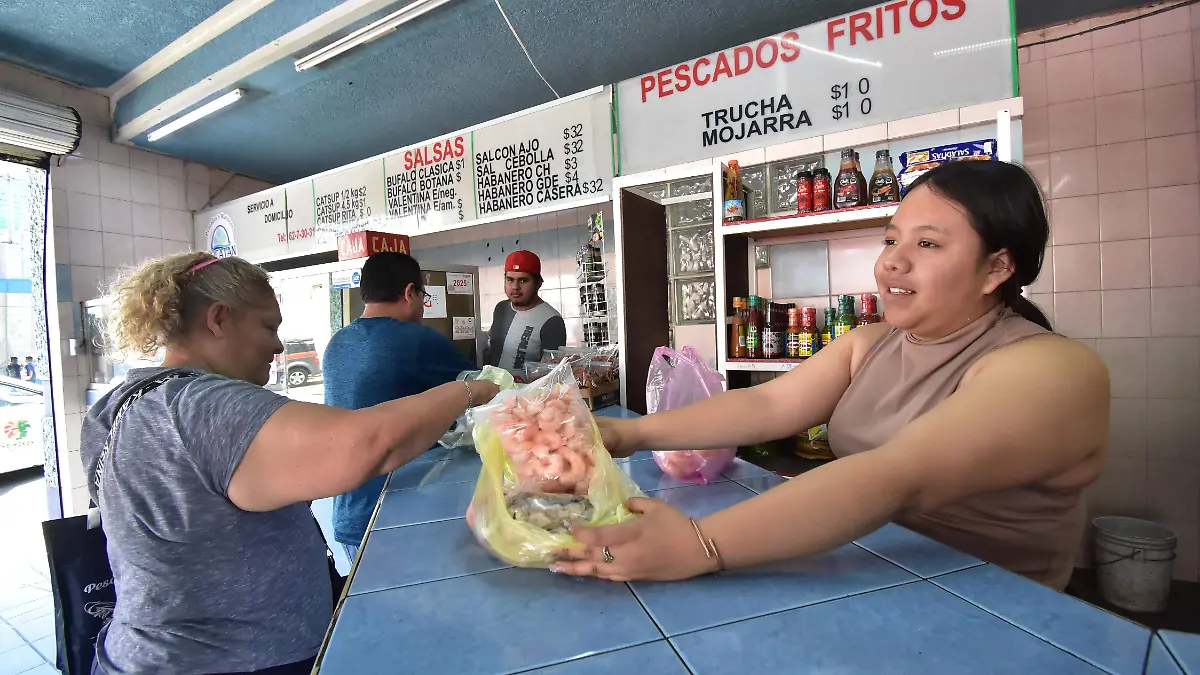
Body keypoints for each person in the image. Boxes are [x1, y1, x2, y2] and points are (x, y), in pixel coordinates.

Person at [554, 161, 1110, 591]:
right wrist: (629, 434)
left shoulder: (1052, 371)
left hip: (996, 611)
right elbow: (766, 408)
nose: (892, 261)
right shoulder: (871, 345)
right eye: (892, 239)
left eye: (928, 244)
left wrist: (700, 544)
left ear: (997, 267)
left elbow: (896, 475)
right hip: (870, 567)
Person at [82, 252, 498, 675]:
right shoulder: (202, 406)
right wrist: (469, 390)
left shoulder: (117, 407)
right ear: (219, 319)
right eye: (268, 326)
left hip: (146, 652)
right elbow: (365, 445)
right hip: (228, 662)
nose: (278, 345)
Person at [323, 252, 476, 562]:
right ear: (409, 293)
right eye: (422, 294)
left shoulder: (337, 343)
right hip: (397, 514)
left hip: (349, 514)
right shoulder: (416, 341)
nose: (422, 305)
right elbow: (482, 387)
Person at [484, 250, 566, 376]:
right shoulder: (501, 309)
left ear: (538, 283)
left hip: (526, 394)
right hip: (491, 391)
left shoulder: (552, 321)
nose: (515, 287)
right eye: (510, 280)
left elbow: (552, 374)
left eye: (523, 280)